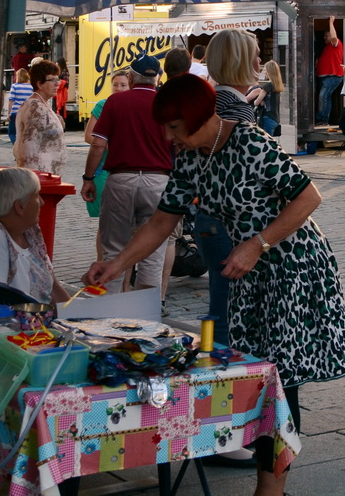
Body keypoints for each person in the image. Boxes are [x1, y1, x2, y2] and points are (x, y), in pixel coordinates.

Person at [85, 67, 345, 496]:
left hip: (291, 269)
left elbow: (309, 197)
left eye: (174, 128)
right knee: (254, 374)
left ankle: (272, 487)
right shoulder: (191, 155)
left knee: (279, 380)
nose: (170, 138)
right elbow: (161, 220)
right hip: (247, 272)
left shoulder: (250, 142)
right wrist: (116, 265)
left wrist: (257, 244)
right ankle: (260, 465)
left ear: (194, 117)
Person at [186, 29, 262, 337]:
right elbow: (246, 174)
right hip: (229, 223)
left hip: (206, 217)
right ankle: (221, 374)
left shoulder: (213, 100)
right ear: (241, 61)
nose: (260, 59)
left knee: (220, 301)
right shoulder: (238, 110)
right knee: (229, 308)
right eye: (255, 53)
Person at [83, 55, 174, 295]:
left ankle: (111, 313)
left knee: (113, 250)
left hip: (121, 180)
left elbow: (98, 144)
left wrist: (88, 178)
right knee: (153, 253)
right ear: (157, 78)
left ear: (131, 78)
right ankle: (147, 314)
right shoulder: (168, 104)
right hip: (158, 182)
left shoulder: (115, 102)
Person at [0, 167, 72, 304]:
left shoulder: (30, 232)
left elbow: (53, 287)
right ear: (19, 206)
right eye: (36, 195)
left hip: (38, 319)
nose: (42, 202)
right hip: (13, 322)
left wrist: (77, 317)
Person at [83, 71, 132, 230]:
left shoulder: (134, 105)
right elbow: (89, 136)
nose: (118, 88)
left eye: (123, 85)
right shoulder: (102, 105)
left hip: (128, 170)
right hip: (103, 168)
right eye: (115, 85)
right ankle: (102, 256)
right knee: (107, 222)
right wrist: (109, 144)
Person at [13, 61, 67, 175]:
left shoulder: (41, 104)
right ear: (39, 84)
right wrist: (35, 179)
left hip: (47, 176)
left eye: (57, 79)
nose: (57, 83)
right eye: (52, 80)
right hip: (40, 177)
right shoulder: (35, 107)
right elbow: (28, 147)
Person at [315, 20, 345, 126]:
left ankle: (322, 120)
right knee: (325, 97)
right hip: (326, 76)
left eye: (326, 36)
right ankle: (324, 119)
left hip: (332, 76)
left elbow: (333, 37)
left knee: (323, 96)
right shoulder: (327, 47)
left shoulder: (335, 44)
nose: (325, 38)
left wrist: (331, 22)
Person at [258, 49, 283, 136]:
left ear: (269, 71)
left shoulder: (267, 87)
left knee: (266, 142)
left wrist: (261, 101)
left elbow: (256, 102)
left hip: (267, 117)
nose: (264, 72)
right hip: (276, 118)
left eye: (265, 70)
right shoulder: (277, 85)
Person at [7, 67, 32, 143]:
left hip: (16, 111)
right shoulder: (31, 87)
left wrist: (9, 113)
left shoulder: (15, 86)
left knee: (12, 132)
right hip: (27, 111)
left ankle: (16, 146)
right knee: (24, 131)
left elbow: (11, 100)